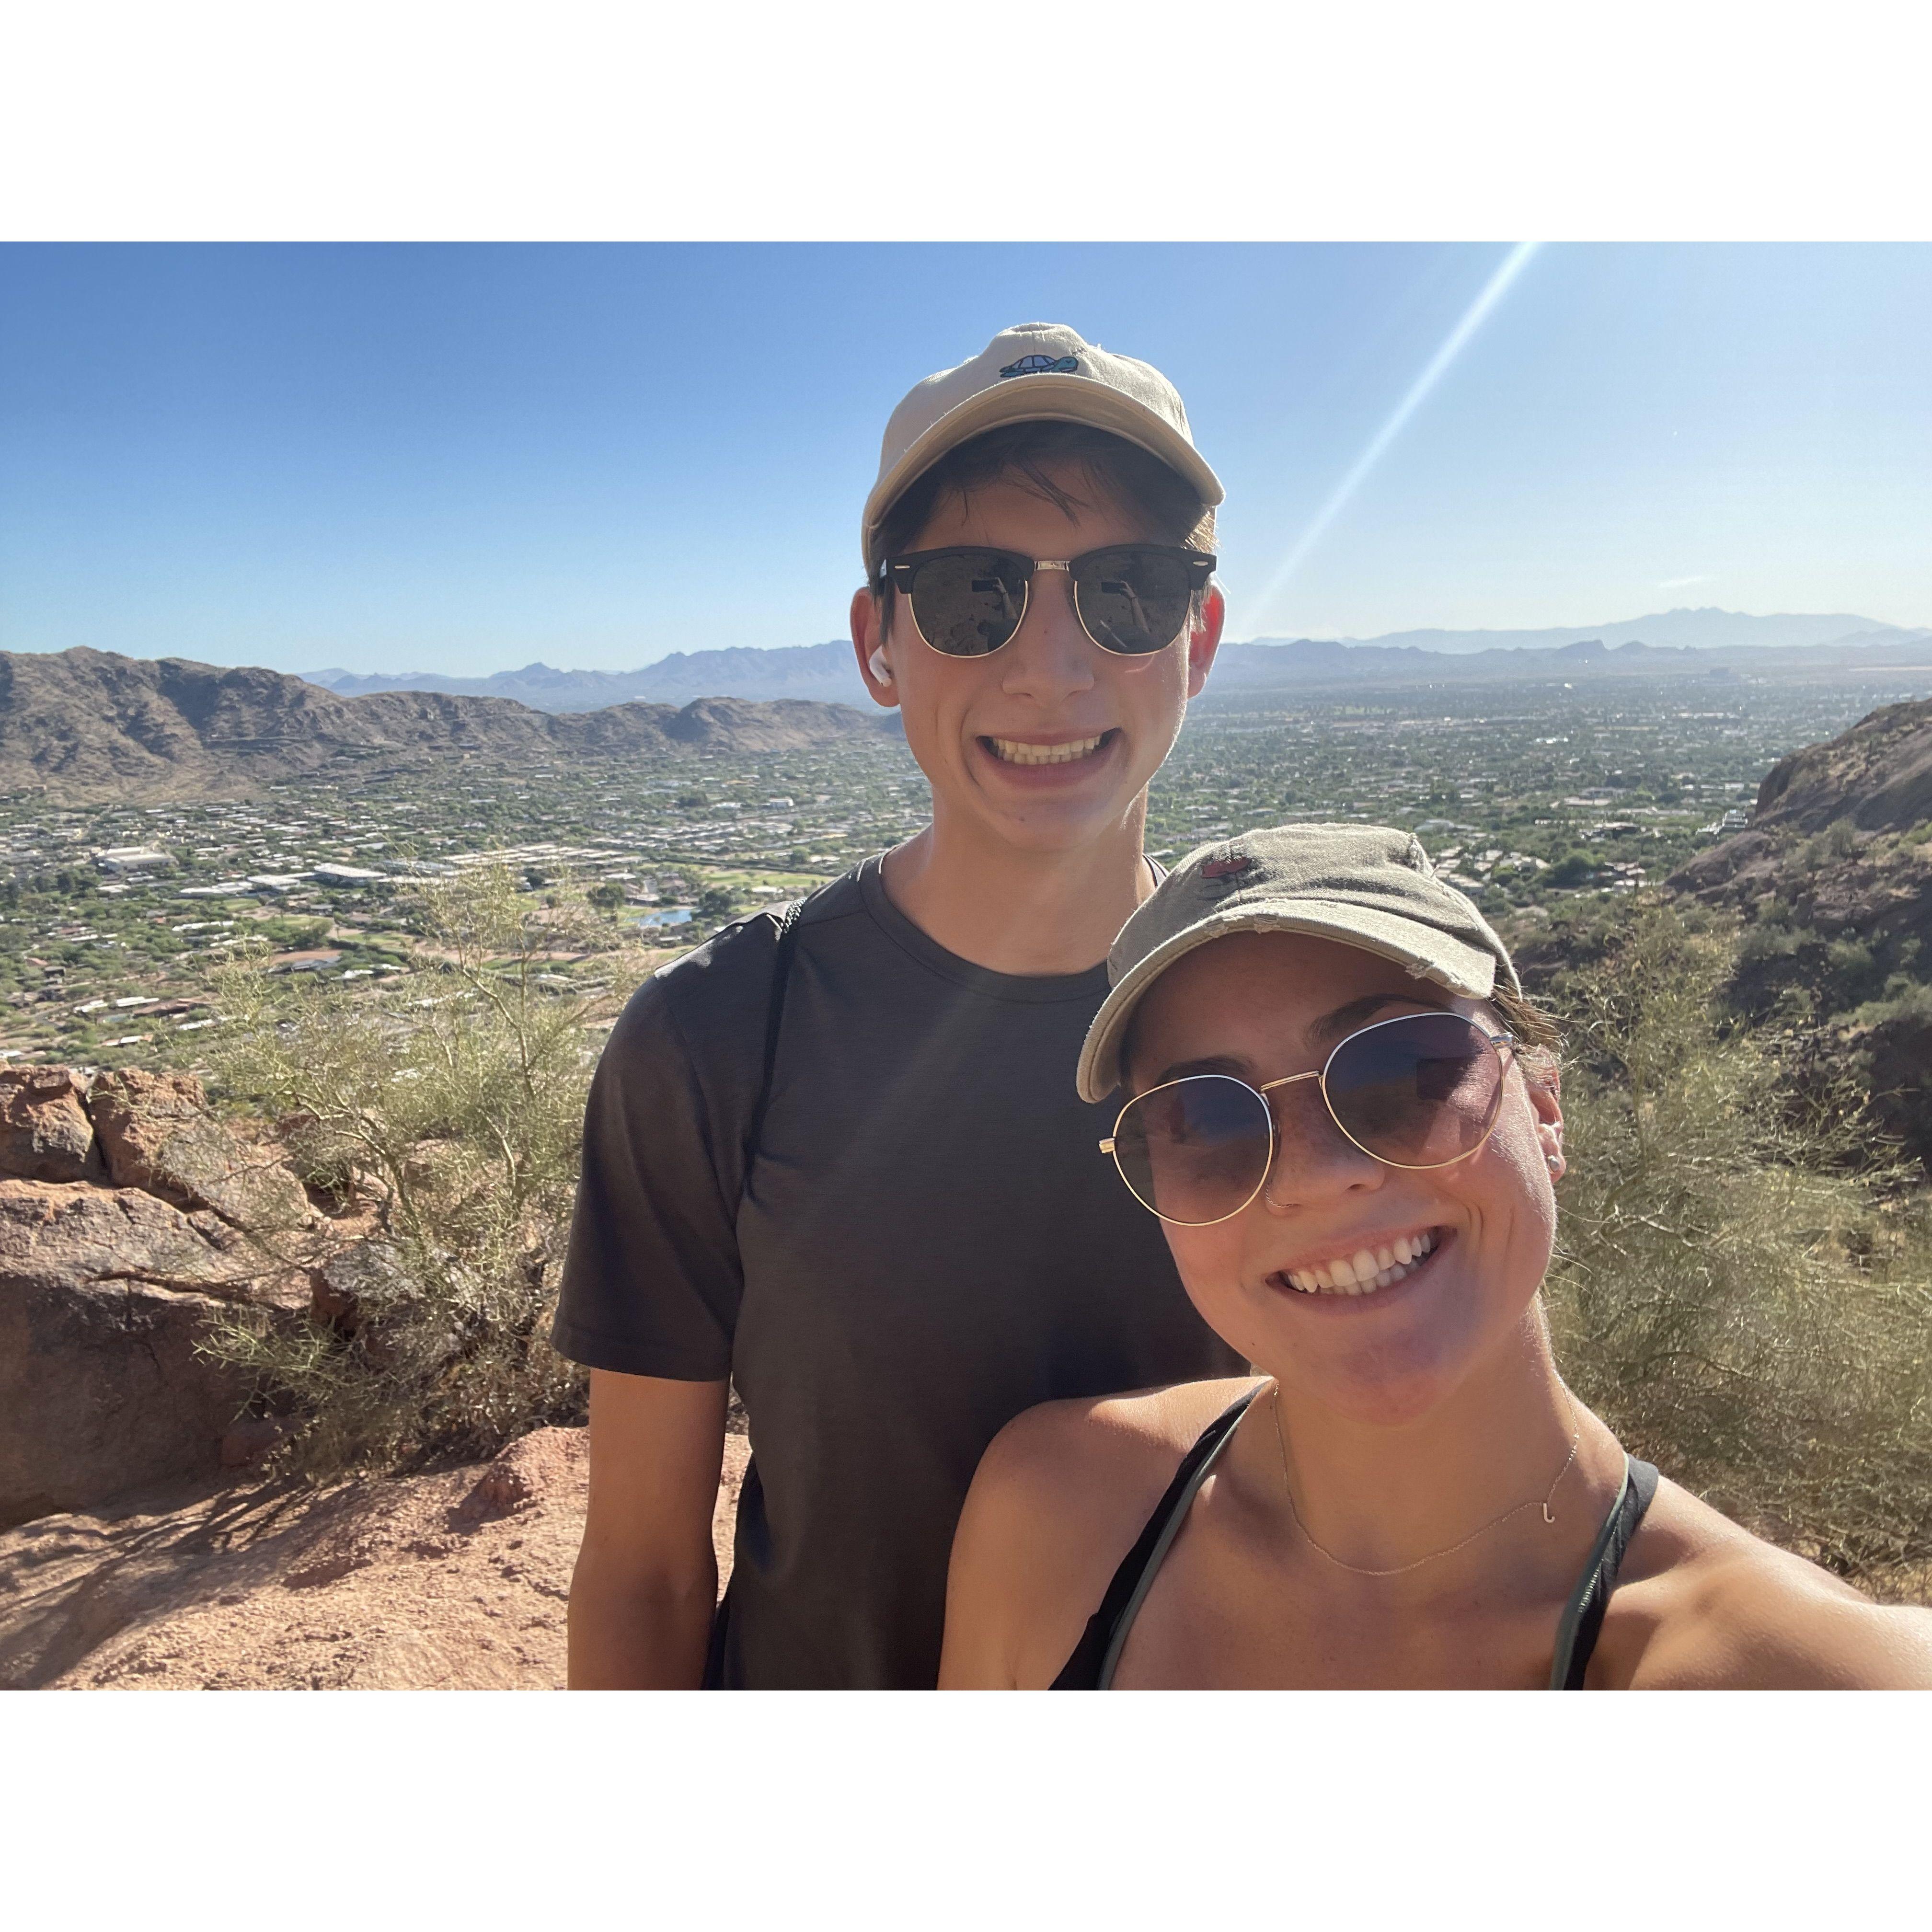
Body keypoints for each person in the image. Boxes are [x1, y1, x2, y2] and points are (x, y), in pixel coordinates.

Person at [554, 322, 1244, 1688]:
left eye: (1128, 591)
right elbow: (640, 1566)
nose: (1050, 667)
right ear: (880, 643)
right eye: (973, 597)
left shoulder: (1300, 1039)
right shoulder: (715, 1039)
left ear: (1200, 636)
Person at [940, 826, 1932, 1688]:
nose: (1315, 1179)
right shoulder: (1058, 1517)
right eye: (1206, 1118)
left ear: (1543, 1107)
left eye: (1400, 1071)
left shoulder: (1813, 1683)